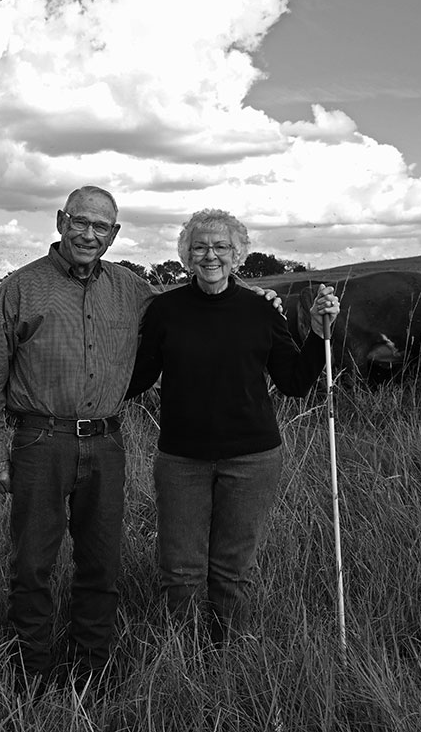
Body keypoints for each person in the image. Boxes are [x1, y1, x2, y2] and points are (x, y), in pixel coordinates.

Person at [0, 186, 153, 694]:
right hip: (39, 441)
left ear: (114, 235)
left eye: (101, 227)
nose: (89, 234)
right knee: (32, 562)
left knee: (101, 561)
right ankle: (33, 672)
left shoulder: (134, 291)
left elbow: (189, 314)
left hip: (107, 443)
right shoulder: (21, 288)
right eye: (80, 222)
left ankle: (93, 668)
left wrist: (249, 289)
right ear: (59, 221)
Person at [125, 208, 339, 644]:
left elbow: (295, 382)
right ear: (186, 256)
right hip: (182, 457)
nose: (210, 256)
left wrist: (319, 335)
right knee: (180, 570)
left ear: (238, 255)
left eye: (221, 247)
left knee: (233, 570)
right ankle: (180, 660)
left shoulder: (260, 311)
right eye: (200, 247)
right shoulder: (165, 311)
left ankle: (228, 658)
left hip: (252, 457)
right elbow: (137, 379)